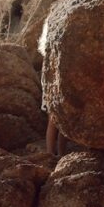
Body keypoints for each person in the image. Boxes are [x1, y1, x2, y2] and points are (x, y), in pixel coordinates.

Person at [39, 15, 68, 158]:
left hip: (58, 81)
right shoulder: (50, 45)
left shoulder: (53, 43)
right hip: (52, 82)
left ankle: (60, 154)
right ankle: (50, 153)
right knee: (53, 119)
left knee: (63, 119)